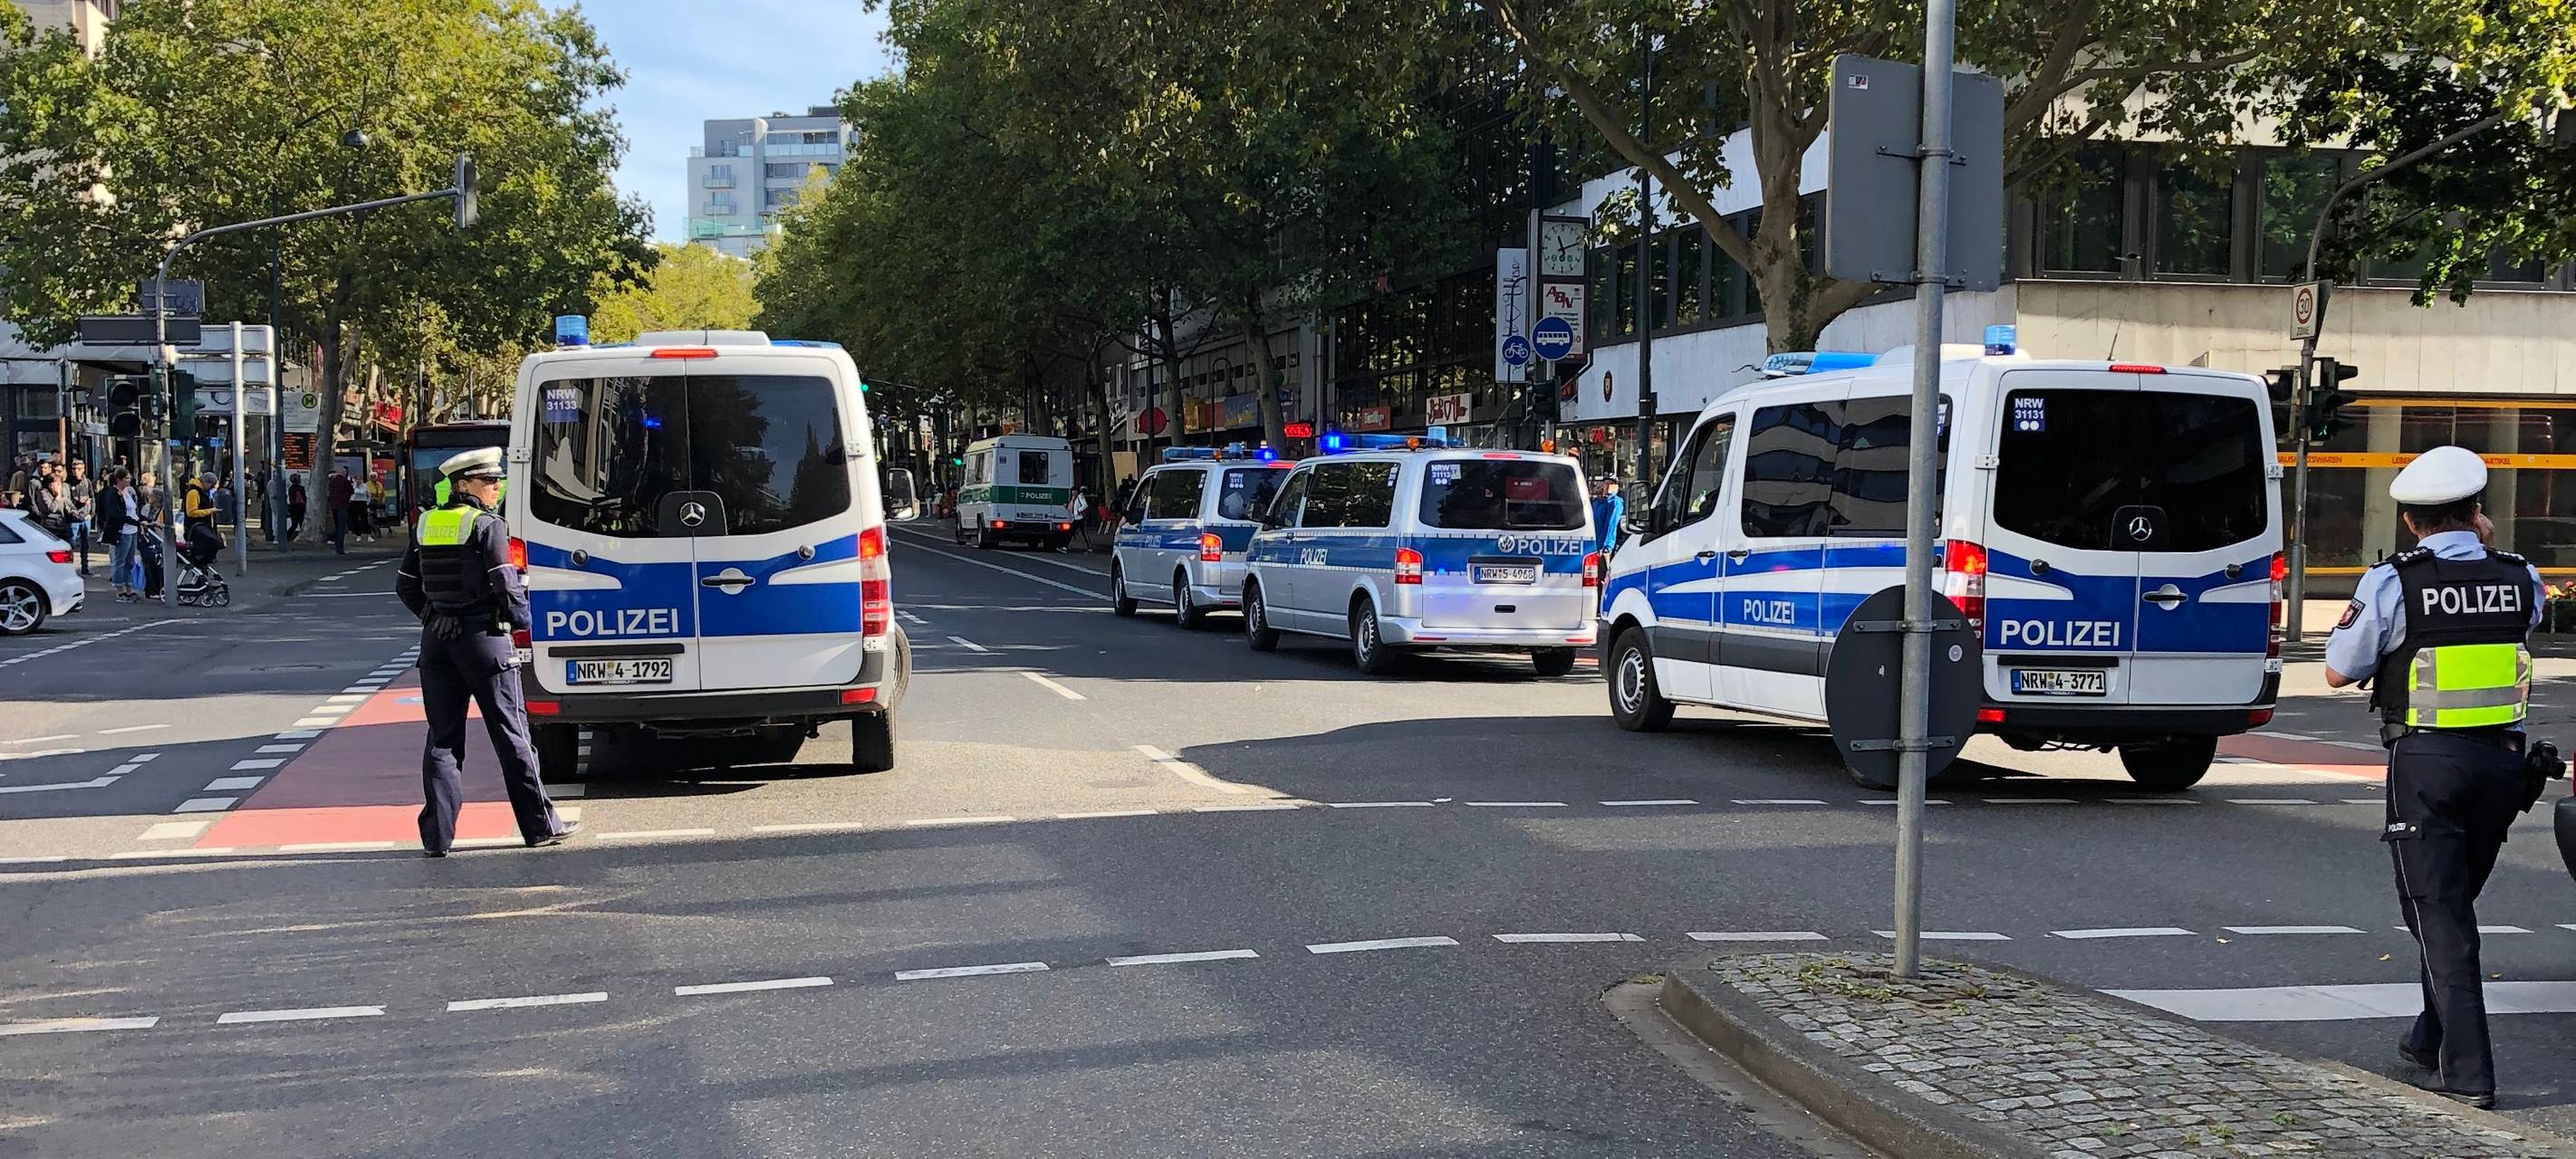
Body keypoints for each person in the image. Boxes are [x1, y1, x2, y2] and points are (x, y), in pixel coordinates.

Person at [2322, 445, 2548, 1110]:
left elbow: (2339, 668)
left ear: (2411, 522)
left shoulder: (2394, 581)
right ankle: (2428, 1037)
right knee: (2450, 903)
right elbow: (2521, 621)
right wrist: (2487, 551)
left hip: (2429, 765)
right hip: (2506, 765)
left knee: (2437, 911)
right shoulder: (2520, 574)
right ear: (2478, 512)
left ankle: (2469, 1073)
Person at [394, 447, 574, 857]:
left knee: (442, 740)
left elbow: (405, 584)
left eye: (498, 481)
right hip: (484, 640)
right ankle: (539, 827)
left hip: (438, 643)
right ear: (464, 486)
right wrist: (521, 620)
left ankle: (437, 839)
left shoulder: (427, 523)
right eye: (489, 481)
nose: (497, 487)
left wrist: (433, 614)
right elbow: (505, 585)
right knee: (512, 734)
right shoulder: (487, 526)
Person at [99, 470, 137, 602]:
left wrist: (141, 521)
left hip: (132, 530)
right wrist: (135, 522)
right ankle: (120, 590)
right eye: (127, 478)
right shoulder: (112, 494)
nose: (129, 480)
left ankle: (129, 587)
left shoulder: (129, 492)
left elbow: (133, 511)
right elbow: (116, 515)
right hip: (121, 531)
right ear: (119, 480)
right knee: (119, 561)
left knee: (130, 561)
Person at [64, 459, 94, 576]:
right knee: (71, 542)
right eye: (74, 469)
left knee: (85, 543)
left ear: (83, 470)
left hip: (86, 517)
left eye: (79, 469)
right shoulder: (68, 483)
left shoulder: (87, 482)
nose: (76, 471)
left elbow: (92, 497)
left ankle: (85, 567)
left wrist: (91, 513)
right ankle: (69, 568)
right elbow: (67, 500)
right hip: (74, 518)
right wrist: (78, 503)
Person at [1591, 477, 1626, 558]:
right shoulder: (1597, 502)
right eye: (1605, 484)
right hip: (1594, 543)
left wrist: (1605, 546)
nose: (1606, 486)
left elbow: (1610, 524)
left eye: (1610, 484)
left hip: (1604, 546)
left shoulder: (1615, 502)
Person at [326, 466, 354, 553]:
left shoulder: (332, 481)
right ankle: (340, 548)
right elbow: (351, 490)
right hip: (342, 505)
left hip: (334, 506)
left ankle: (337, 547)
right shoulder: (345, 481)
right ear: (345, 473)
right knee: (341, 527)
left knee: (337, 526)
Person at [287, 474, 308, 541]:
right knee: (301, 523)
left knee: (294, 524)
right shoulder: (301, 489)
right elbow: (303, 498)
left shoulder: (291, 488)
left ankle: (287, 536)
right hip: (300, 508)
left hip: (293, 508)